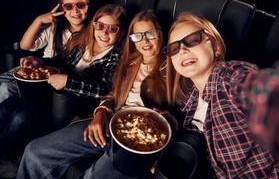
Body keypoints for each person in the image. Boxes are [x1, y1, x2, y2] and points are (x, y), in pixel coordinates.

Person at [16, 10, 167, 179]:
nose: (144, 41)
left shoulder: (171, 65)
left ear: (160, 33)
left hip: (138, 135)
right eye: (137, 35)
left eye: (150, 34)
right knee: (34, 150)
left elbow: (103, 88)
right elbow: (112, 94)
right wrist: (101, 112)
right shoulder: (131, 61)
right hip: (108, 121)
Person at [0, 4, 127, 179]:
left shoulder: (117, 56)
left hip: (72, 105)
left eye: (113, 29)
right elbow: (61, 60)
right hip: (51, 94)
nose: (105, 33)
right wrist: (39, 62)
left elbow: (104, 89)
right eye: (100, 26)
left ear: (120, 33)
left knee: (22, 116)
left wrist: (68, 82)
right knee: (9, 104)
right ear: (93, 25)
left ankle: (9, 157)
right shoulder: (83, 41)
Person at [164, 12, 279, 178]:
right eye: (174, 48)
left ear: (216, 47)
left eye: (193, 40)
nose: (183, 50)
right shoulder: (191, 100)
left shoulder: (230, 76)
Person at [0, 0, 90, 103]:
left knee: (5, 88)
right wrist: (39, 20)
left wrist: (41, 63)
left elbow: (70, 66)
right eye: (69, 6)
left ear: (88, 6)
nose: (75, 10)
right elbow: (24, 45)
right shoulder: (55, 27)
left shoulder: (92, 34)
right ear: (62, 8)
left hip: (52, 76)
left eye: (81, 5)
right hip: (38, 66)